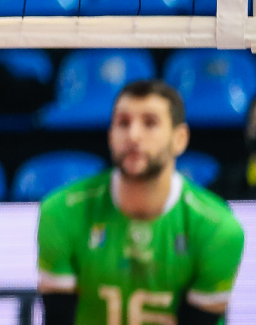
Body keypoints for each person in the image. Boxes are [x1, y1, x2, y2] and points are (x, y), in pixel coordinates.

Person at [38, 80, 243, 325]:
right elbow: (59, 319)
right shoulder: (62, 211)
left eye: (150, 123)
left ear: (180, 138)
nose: (133, 135)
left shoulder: (218, 229)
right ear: (110, 136)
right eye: (123, 123)